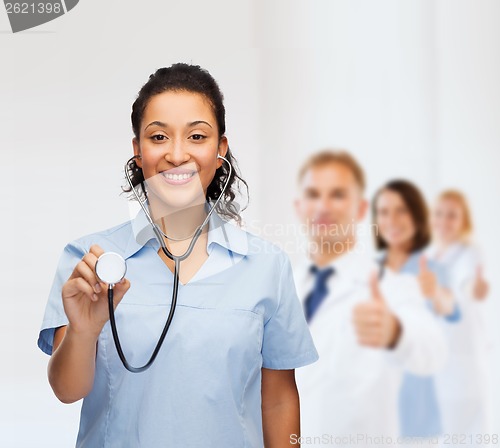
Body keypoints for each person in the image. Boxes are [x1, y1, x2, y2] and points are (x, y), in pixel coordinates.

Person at [37, 63, 318, 447]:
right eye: (158, 137)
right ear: (137, 151)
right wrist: (84, 331)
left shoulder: (267, 266)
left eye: (197, 136)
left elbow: (279, 399)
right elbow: (67, 391)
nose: (176, 153)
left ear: (220, 150)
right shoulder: (89, 261)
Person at [293, 150, 447, 447]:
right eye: (313, 194)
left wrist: (396, 332)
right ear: (299, 207)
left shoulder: (391, 285)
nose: (323, 206)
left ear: (361, 209)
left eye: (337, 195)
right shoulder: (281, 286)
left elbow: (434, 350)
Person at [372, 180, 460, 440]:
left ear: (417, 215)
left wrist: (436, 295)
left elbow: (451, 309)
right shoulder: (368, 270)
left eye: (402, 210)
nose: (392, 220)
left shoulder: (431, 269)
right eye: (384, 212)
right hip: (373, 409)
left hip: (418, 414)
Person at [427, 189, 492, 443]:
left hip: (464, 366)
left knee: (467, 435)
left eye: (452, 216)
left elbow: (470, 285)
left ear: (464, 220)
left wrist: (474, 288)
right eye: (439, 214)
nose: (444, 221)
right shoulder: (430, 258)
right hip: (439, 366)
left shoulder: (470, 253)